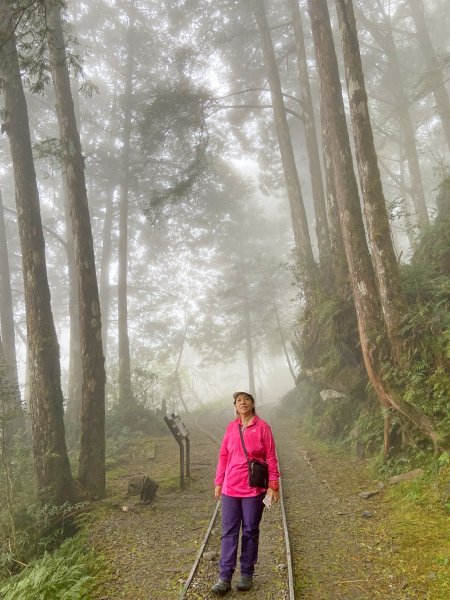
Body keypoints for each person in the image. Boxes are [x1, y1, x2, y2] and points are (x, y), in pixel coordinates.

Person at [211, 391, 280, 595]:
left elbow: (271, 456)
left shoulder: (263, 427)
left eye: (246, 400)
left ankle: (246, 573)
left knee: (250, 530)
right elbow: (223, 455)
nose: (242, 403)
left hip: (254, 489)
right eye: (239, 400)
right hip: (231, 488)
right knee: (228, 532)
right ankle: (224, 577)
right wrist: (218, 481)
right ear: (235, 406)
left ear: (252, 404)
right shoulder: (231, 428)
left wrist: (274, 483)